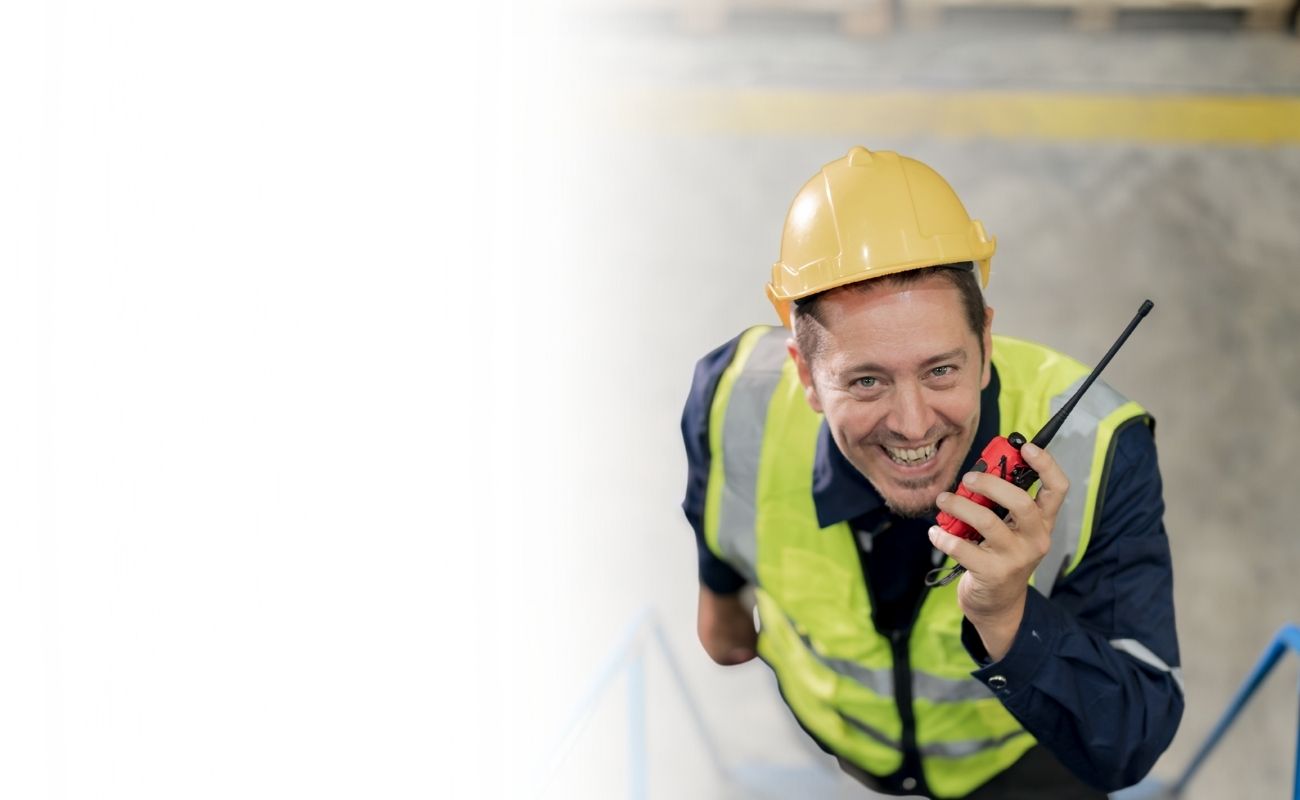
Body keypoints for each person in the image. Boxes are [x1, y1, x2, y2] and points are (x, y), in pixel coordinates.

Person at [680, 146, 1182, 799]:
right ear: (805, 374)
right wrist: (722, 607)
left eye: (941, 370)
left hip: (1018, 767)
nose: (914, 425)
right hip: (845, 754)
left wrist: (1010, 617)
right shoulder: (732, 400)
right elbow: (722, 602)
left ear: (985, 345)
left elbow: (1132, 738)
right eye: (866, 381)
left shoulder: (1102, 446)